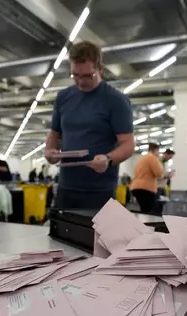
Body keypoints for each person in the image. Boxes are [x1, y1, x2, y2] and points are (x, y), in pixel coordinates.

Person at [45, 41, 135, 209]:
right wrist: (50, 151)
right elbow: (54, 134)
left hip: (100, 191)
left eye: (87, 76)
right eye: (75, 75)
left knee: (98, 236)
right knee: (61, 235)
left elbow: (128, 144)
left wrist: (108, 159)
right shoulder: (63, 97)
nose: (80, 81)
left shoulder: (116, 100)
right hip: (66, 187)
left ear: (100, 68)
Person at [130, 143, 165, 213]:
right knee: (148, 212)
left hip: (136, 187)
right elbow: (159, 173)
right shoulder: (152, 158)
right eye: (158, 151)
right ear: (155, 150)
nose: (159, 154)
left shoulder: (143, 158)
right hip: (146, 188)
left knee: (144, 210)